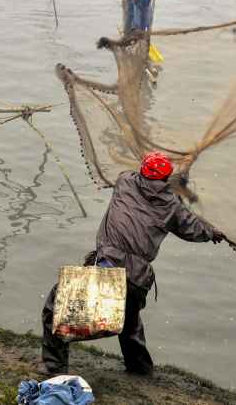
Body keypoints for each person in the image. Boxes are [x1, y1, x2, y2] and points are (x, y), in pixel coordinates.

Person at [41, 152, 225, 375]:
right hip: (137, 278)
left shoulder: (124, 181)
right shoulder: (173, 207)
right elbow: (194, 230)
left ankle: (54, 367)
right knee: (129, 322)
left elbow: (142, 179)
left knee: (56, 306)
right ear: (167, 179)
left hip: (106, 266)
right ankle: (140, 370)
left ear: (141, 171)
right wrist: (212, 233)